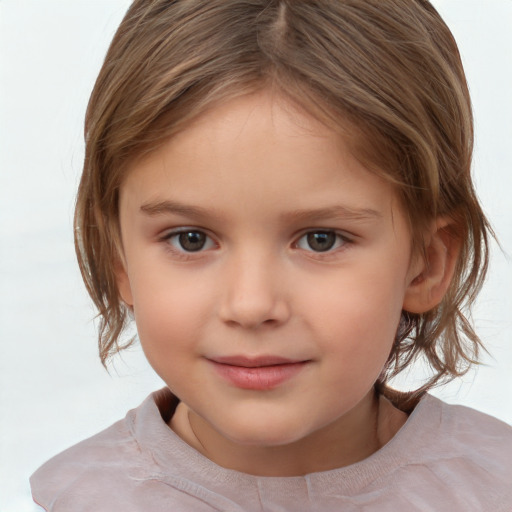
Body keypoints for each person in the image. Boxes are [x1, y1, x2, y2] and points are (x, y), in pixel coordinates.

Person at [30, 0, 512, 510]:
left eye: (320, 239)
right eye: (190, 239)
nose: (251, 304)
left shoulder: (495, 486)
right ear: (119, 260)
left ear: (427, 263)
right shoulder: (76, 500)